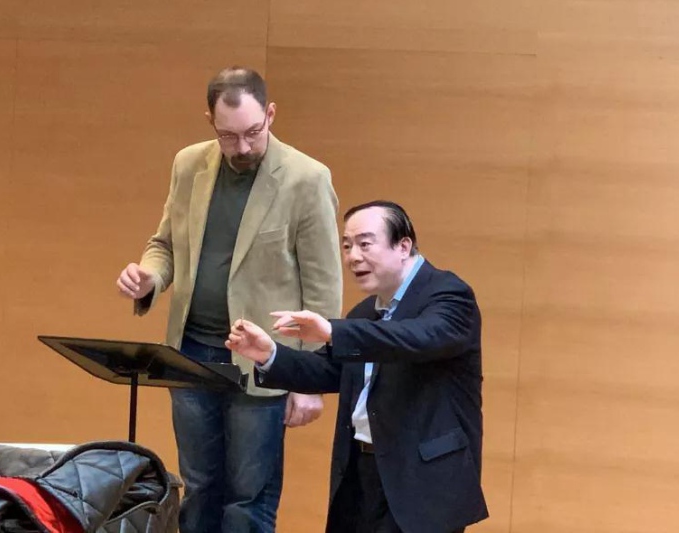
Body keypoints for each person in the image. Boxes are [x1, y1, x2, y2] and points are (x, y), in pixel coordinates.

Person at [116, 67, 343, 533]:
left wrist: (310, 379)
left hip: (263, 362)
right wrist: (149, 278)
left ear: (271, 114)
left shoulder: (307, 179)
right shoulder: (188, 165)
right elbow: (165, 245)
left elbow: (323, 287)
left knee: (248, 498)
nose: (242, 147)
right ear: (210, 122)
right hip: (191, 355)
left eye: (253, 133)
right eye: (228, 136)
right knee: (199, 487)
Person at [226, 200, 489, 533]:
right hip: (361, 475)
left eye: (365, 244)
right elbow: (329, 370)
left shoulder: (450, 295)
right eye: (347, 246)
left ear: (403, 246)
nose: (352, 257)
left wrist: (333, 331)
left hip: (422, 480)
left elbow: (418, 338)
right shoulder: (365, 313)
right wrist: (269, 354)